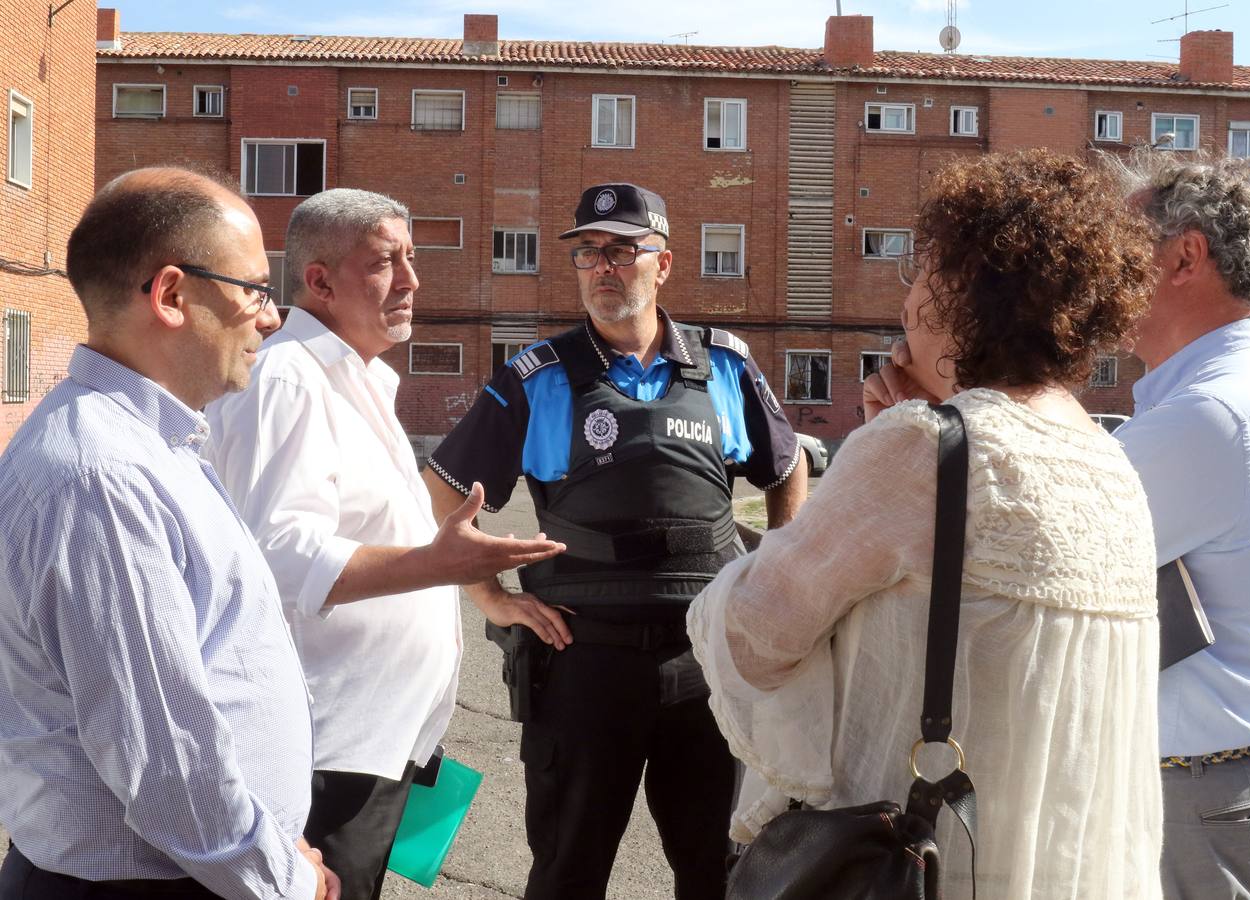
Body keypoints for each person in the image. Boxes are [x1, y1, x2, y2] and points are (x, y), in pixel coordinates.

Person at [688, 150, 1165, 898]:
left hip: (920, 864)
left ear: (959, 289)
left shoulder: (922, 447)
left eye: (922, 270)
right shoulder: (1108, 462)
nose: (907, 296)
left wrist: (904, 437)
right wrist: (913, 428)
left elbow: (756, 631)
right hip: (1060, 869)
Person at [423, 182, 806, 899]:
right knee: (570, 869)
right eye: (589, 253)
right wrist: (490, 597)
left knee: (716, 868)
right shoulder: (537, 377)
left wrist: (776, 572)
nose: (603, 267)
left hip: (706, 663)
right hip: (582, 662)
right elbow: (444, 493)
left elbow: (788, 466)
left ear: (663, 264)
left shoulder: (721, 364)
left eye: (623, 250)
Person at [204, 188, 566, 900]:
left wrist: (480, 592)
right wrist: (438, 564)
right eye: (383, 262)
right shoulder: (288, 379)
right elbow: (273, 555)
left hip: (369, 744)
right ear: (319, 280)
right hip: (319, 751)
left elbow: (373, 531)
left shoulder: (354, 378)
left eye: (411, 258)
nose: (411, 280)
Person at [0, 168, 337, 899]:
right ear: (173, 295)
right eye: (255, 289)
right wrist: (280, 878)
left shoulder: (148, 445)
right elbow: (165, 760)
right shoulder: (100, 476)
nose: (271, 317)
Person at [1108, 151, 1250, 900]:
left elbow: (1039, 547)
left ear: (1185, 256)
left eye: (1121, 250)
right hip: (1216, 785)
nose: (1101, 272)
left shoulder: (1210, 415)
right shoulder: (1236, 394)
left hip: (1197, 794)